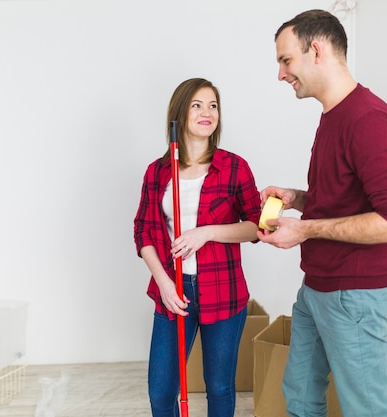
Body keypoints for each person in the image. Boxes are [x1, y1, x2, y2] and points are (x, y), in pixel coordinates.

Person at [257, 9, 387, 417]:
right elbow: (343, 203)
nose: (280, 74)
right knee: (299, 395)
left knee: (366, 409)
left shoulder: (367, 119)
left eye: (286, 60)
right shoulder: (333, 116)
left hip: (355, 296)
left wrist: (304, 230)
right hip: (318, 288)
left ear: (316, 50)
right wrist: (297, 198)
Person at [133, 77, 261, 417]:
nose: (207, 112)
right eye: (197, 105)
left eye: (213, 105)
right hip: (174, 290)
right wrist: (163, 282)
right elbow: (143, 231)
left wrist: (206, 233)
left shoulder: (234, 167)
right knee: (161, 392)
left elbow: (256, 227)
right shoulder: (158, 172)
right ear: (179, 113)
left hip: (224, 291)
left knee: (219, 389)